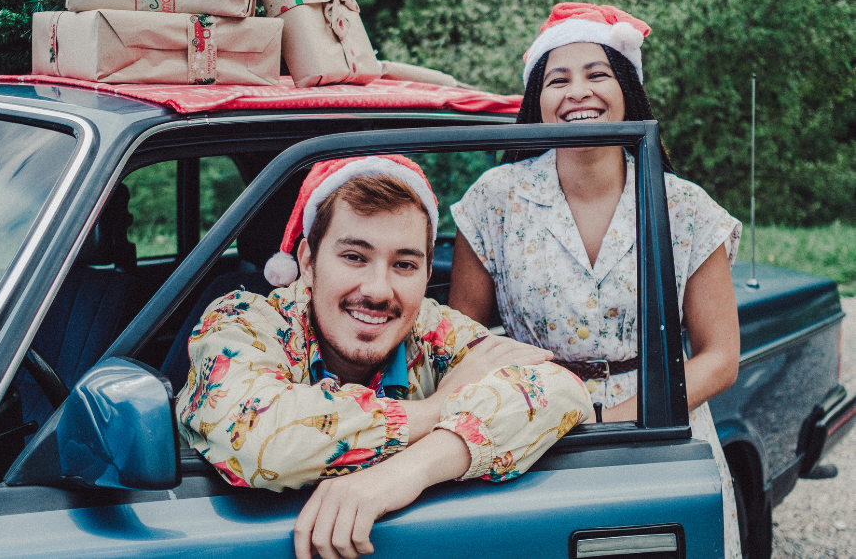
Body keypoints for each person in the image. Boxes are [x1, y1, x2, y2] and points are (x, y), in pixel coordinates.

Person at [176, 154, 592, 559]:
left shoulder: (434, 329)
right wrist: (435, 409)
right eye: (354, 257)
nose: (377, 290)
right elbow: (259, 438)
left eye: (404, 265)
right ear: (308, 262)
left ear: (427, 275)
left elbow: (561, 390)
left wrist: (405, 473)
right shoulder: (240, 322)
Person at [448, 2, 743, 559]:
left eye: (597, 74)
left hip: (662, 435)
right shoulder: (494, 200)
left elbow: (720, 357)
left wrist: (615, 416)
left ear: (626, 89)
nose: (577, 91)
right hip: (530, 433)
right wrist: (533, 409)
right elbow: (463, 342)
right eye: (557, 80)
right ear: (537, 102)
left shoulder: (685, 207)